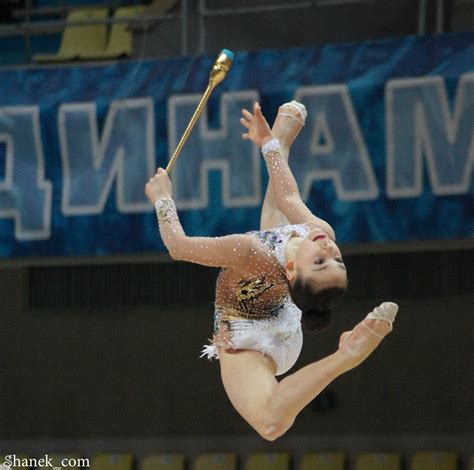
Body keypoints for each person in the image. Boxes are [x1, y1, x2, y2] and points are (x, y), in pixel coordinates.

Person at [145, 101, 398, 441]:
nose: (330, 250)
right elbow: (287, 194)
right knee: (278, 217)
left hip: (247, 338)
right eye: (338, 261)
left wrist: (162, 200)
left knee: (270, 424)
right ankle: (282, 136)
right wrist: (268, 145)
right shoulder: (318, 231)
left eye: (321, 262)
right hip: (285, 316)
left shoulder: (247, 251)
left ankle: (345, 356)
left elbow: (178, 246)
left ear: (294, 270)